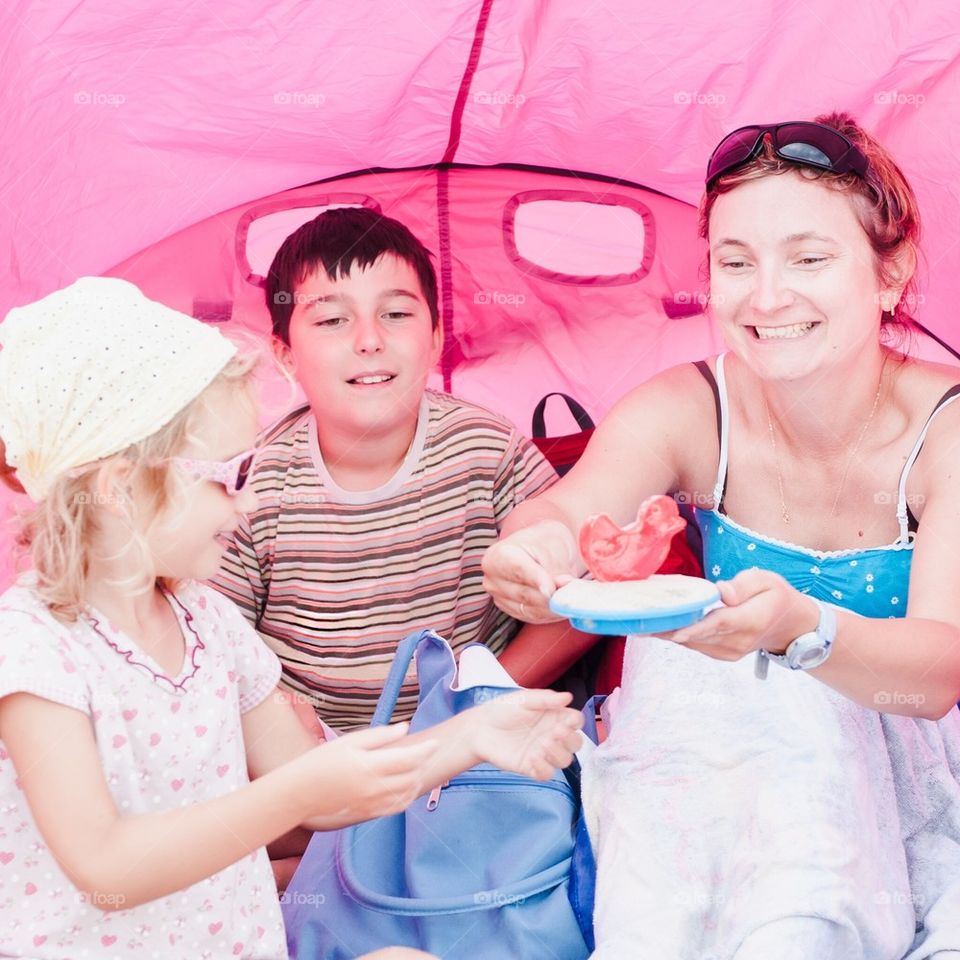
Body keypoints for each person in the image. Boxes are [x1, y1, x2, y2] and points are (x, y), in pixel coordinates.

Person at [482, 113, 960, 959]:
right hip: (728, 773)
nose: (766, 297)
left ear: (891, 272)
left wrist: (798, 630)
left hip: (916, 773)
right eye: (736, 263)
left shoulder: (946, 431)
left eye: (809, 259)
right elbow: (567, 511)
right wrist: (533, 552)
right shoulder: (690, 407)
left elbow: (935, 675)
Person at [0, 277, 582, 958]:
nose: (244, 507)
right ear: (118, 487)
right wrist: (292, 793)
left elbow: (324, 791)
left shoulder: (206, 622)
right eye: (225, 479)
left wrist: (470, 737)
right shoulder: (37, 651)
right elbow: (107, 869)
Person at [211, 206, 596, 734]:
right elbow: (214, 649)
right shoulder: (255, 485)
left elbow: (583, 602)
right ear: (285, 355)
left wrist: (483, 704)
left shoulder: (485, 450)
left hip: (468, 740)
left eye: (395, 314)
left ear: (436, 338)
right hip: (309, 756)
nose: (369, 340)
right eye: (331, 320)